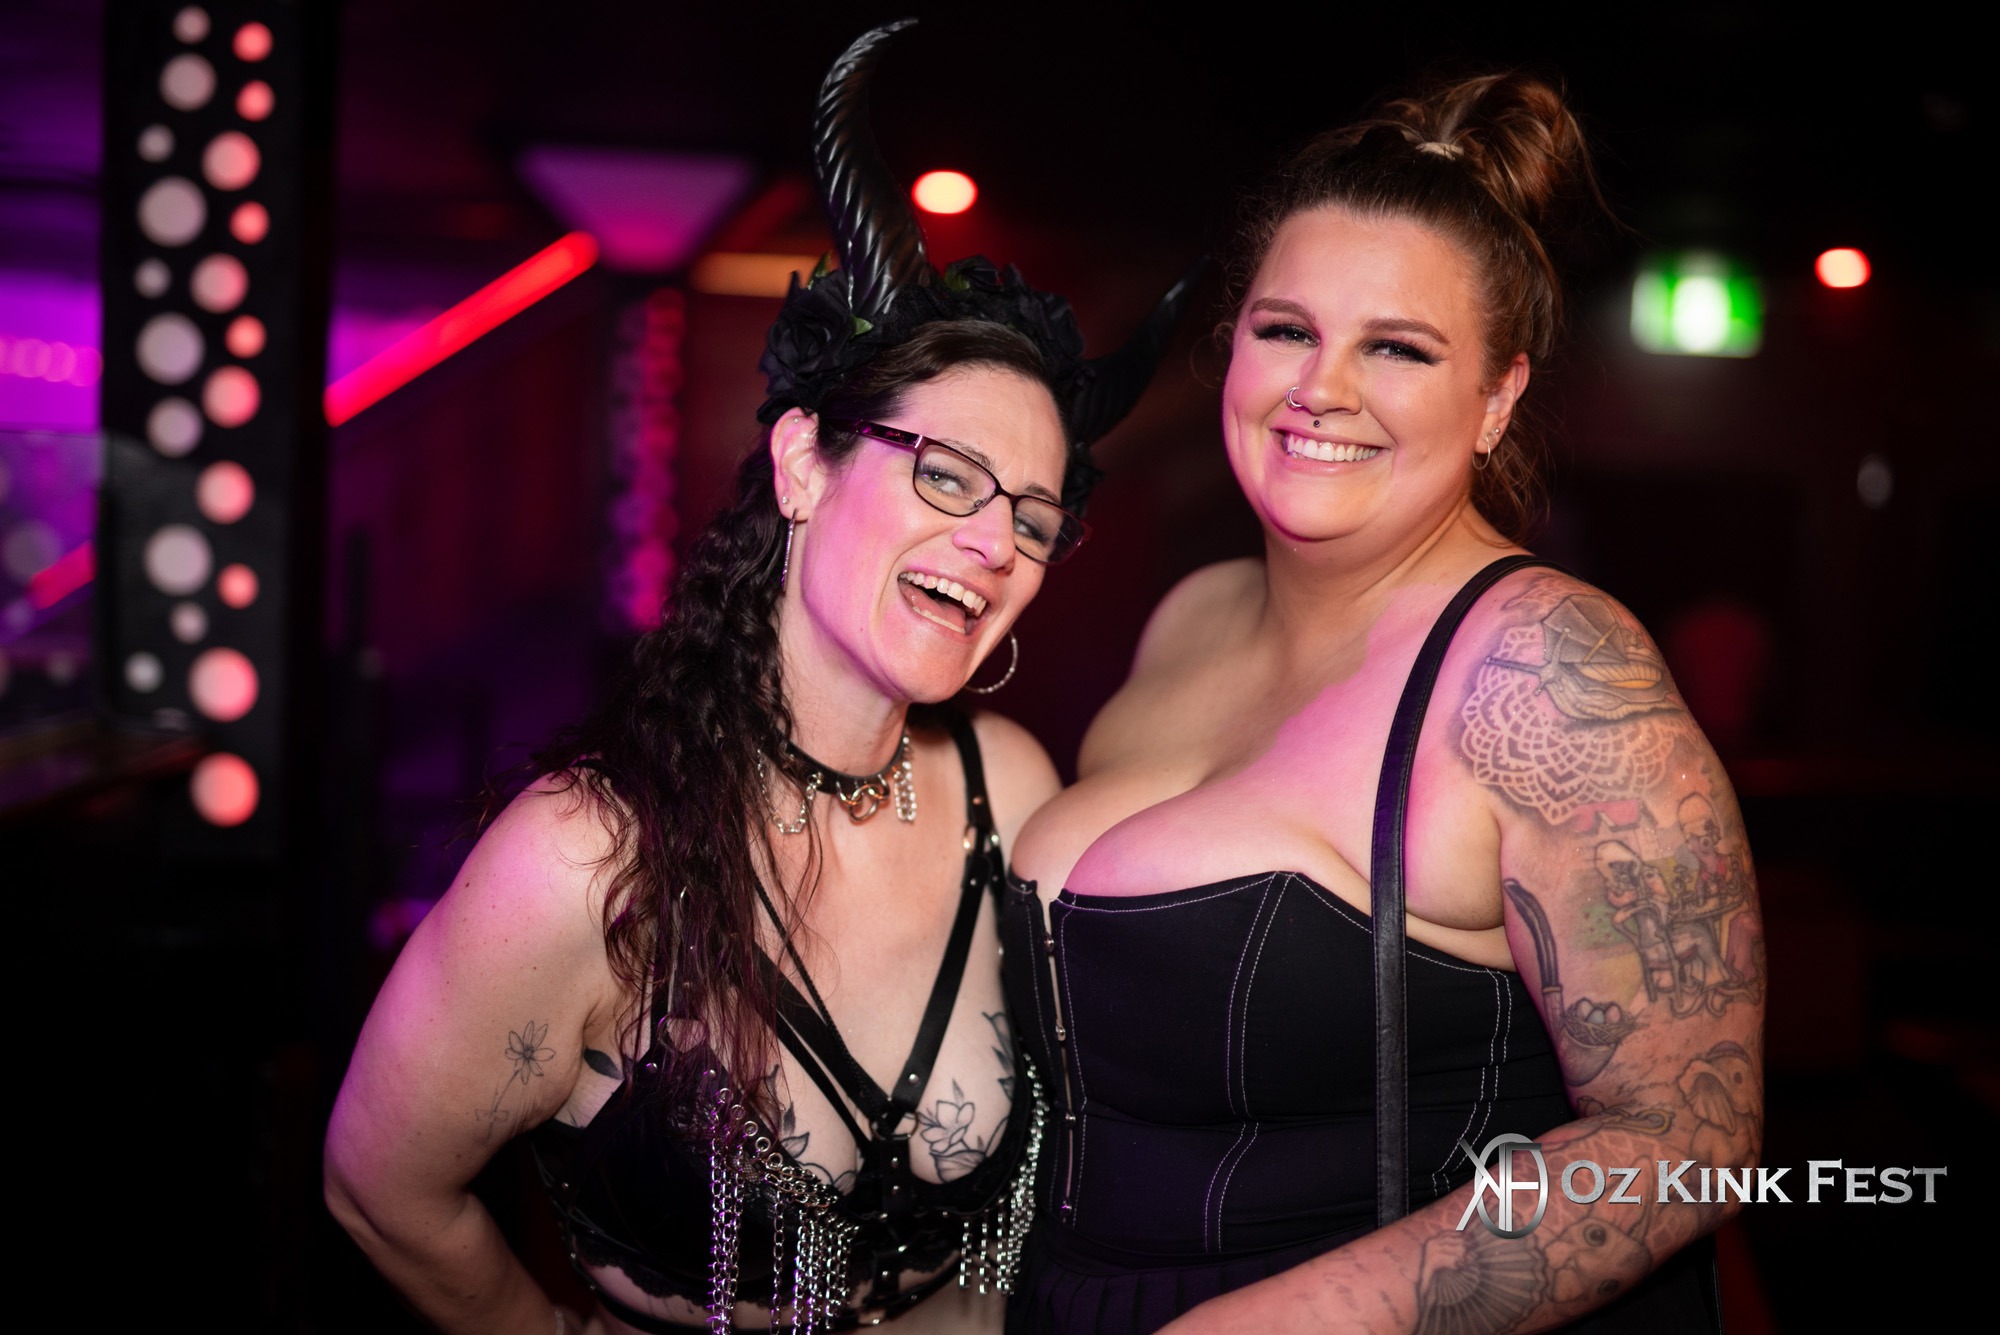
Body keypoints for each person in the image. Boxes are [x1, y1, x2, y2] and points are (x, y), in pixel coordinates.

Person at [324, 23, 1193, 1334]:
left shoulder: (1005, 789)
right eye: (946, 474)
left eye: (1032, 513)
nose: (992, 542)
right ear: (801, 465)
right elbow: (380, 1188)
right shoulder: (587, 858)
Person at [1003, 73, 1763, 1333]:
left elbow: (1688, 1141)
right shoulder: (1188, 616)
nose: (1321, 389)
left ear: (1497, 397)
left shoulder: (1545, 666)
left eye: (1397, 348)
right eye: (1284, 331)